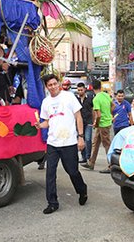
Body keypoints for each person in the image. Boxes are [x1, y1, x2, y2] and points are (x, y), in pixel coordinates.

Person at [35, 74, 87, 214]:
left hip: (69, 142)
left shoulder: (69, 97)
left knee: (72, 171)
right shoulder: (46, 102)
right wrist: (40, 125)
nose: (53, 87)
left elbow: (78, 117)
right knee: (50, 173)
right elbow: (47, 121)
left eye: (54, 84)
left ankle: (82, 190)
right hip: (52, 143)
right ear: (47, 87)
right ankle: (52, 202)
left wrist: (80, 137)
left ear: (58, 83)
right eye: (49, 85)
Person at [83, 81, 112, 173]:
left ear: (92, 88)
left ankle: (111, 166)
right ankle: (91, 163)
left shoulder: (96, 99)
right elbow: (113, 106)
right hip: (105, 123)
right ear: (100, 87)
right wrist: (108, 114)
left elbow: (98, 115)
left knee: (107, 145)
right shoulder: (106, 95)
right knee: (95, 143)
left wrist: (96, 123)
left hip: (102, 124)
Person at [76, 82, 94, 163]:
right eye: (78, 90)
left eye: (81, 90)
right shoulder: (76, 99)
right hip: (79, 123)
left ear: (85, 90)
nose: (80, 92)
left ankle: (88, 156)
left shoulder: (90, 98)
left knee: (88, 139)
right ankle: (83, 157)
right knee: (81, 139)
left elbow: (94, 110)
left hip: (89, 121)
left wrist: (94, 120)